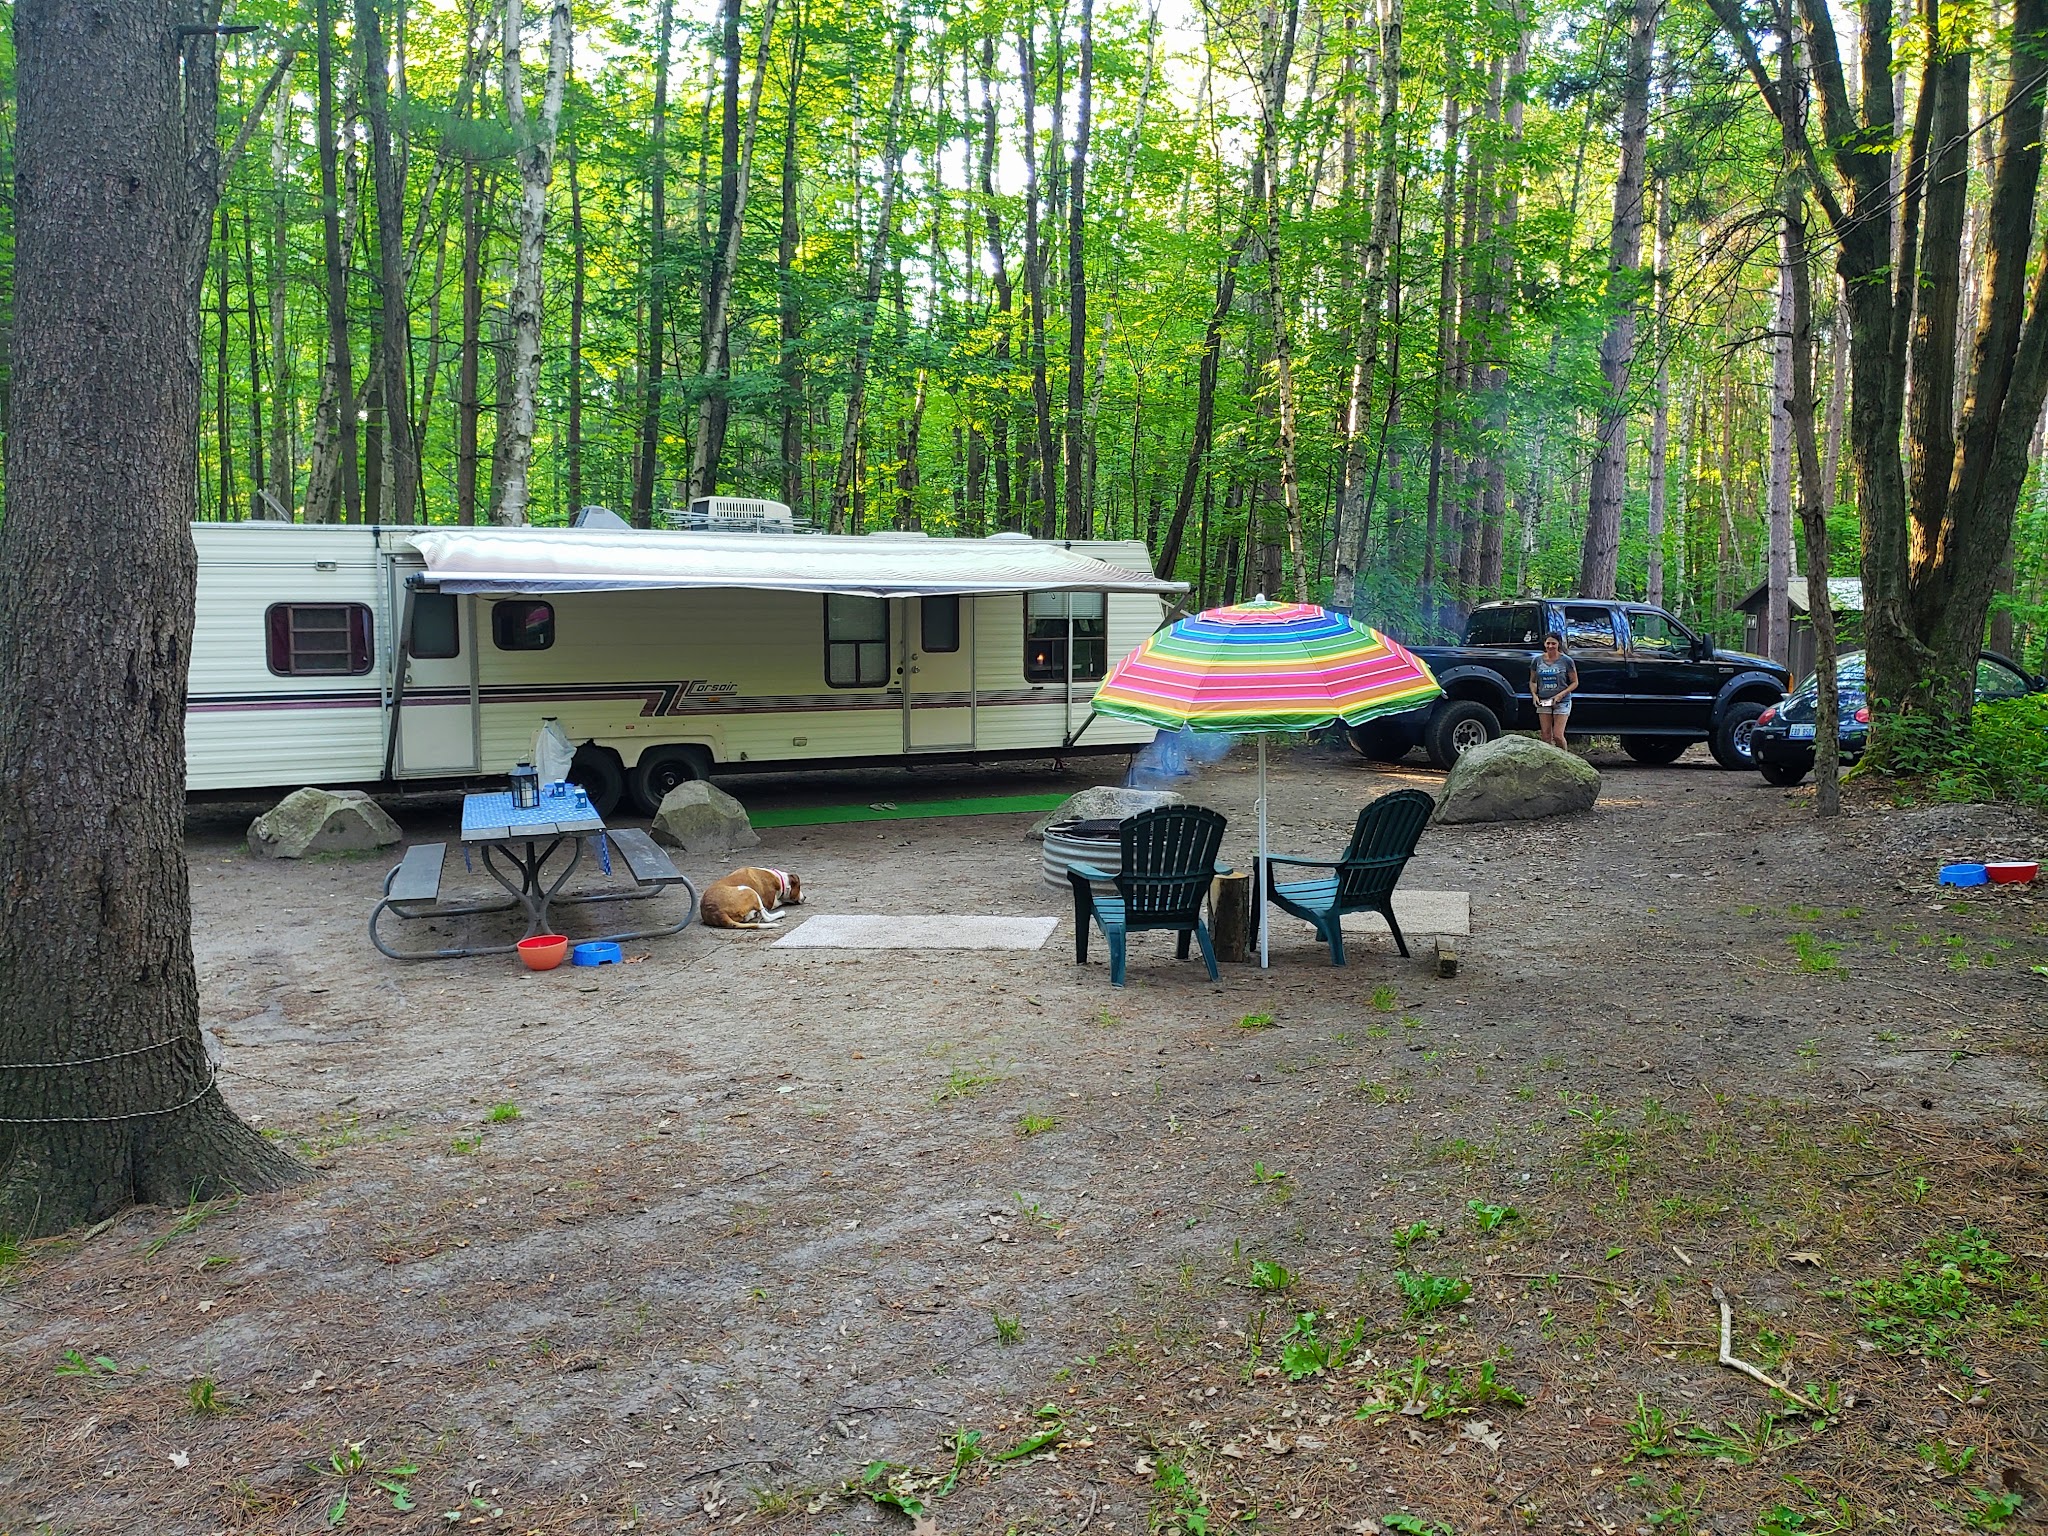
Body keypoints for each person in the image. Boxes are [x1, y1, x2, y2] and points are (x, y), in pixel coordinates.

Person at [1530, 631, 1578, 748]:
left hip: (1561, 701)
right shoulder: (1537, 660)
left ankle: (1564, 756)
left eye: (1553, 643)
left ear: (1558, 644)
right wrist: (1534, 695)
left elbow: (1574, 682)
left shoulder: (1566, 661)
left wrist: (1561, 694)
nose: (1550, 646)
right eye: (1548, 643)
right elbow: (1533, 681)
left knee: (1558, 735)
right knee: (1546, 736)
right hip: (1543, 700)